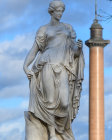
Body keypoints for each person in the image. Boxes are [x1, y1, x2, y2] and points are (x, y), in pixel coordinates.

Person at [23, 0, 84, 140]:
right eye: (58, 11)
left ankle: (60, 129)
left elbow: (73, 52)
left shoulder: (68, 28)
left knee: (65, 103)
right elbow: (34, 50)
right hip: (47, 65)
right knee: (49, 101)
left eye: (62, 11)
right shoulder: (43, 29)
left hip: (62, 67)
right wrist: (25, 66)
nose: (60, 13)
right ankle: (51, 134)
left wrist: (79, 48)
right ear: (51, 11)